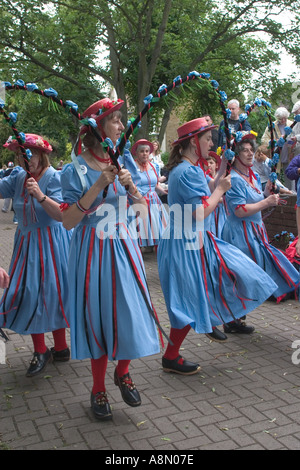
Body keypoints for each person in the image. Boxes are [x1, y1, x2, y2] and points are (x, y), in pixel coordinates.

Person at [60, 98, 161, 421]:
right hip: (92, 249)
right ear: (98, 127)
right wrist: (99, 184)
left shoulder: (124, 163)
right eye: (115, 120)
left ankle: (124, 372)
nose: (121, 125)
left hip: (125, 246)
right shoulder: (73, 169)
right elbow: (68, 221)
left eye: (120, 119)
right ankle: (98, 387)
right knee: (99, 317)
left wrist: (133, 191)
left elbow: (143, 217)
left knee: (131, 312)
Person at [157, 117, 278, 376]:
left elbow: (207, 188)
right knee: (187, 299)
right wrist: (221, 189)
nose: (212, 142)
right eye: (208, 138)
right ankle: (172, 355)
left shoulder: (191, 167)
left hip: (193, 239)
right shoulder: (185, 171)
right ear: (193, 141)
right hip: (185, 242)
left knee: (220, 277)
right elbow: (201, 211)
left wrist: (222, 166)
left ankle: (209, 318)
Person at [0, 133, 72, 377]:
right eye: (20, 154)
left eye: (29, 154)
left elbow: (62, 215)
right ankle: (41, 350)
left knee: (56, 292)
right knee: (29, 293)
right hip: (26, 244)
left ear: (42, 155)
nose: (24, 159)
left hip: (53, 243)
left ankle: (61, 348)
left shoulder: (54, 177)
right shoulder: (18, 177)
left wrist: (40, 195)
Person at [222, 136, 299, 308]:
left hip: (255, 232)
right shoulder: (234, 179)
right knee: (241, 277)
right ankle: (233, 319)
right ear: (236, 154)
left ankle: (238, 318)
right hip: (239, 234)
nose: (250, 154)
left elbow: (258, 197)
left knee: (254, 276)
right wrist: (266, 202)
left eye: (251, 150)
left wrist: (267, 191)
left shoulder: (253, 175)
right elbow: (239, 210)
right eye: (245, 150)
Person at [131, 139, 168, 253]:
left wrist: (164, 192)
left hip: (154, 201)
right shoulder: (132, 166)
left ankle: (157, 248)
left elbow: (155, 184)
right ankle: (138, 250)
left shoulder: (153, 166)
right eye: (142, 151)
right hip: (139, 200)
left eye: (147, 151)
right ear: (136, 153)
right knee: (140, 226)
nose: (145, 153)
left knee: (158, 225)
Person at [261, 107, 294, 190]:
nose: (283, 120)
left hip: (289, 155)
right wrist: (275, 141)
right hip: (276, 157)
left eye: (285, 118)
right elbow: (264, 140)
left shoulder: (291, 124)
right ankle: (278, 196)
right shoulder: (272, 126)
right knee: (276, 179)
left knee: (290, 178)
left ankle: (292, 196)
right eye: (280, 119)